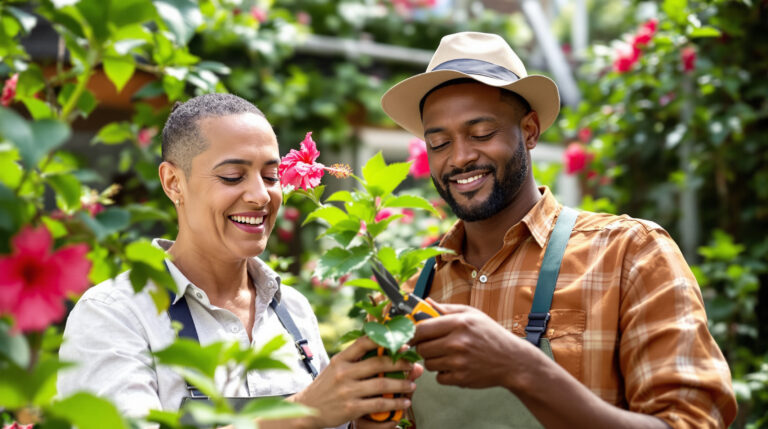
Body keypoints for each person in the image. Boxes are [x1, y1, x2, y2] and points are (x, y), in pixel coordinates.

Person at [377, 32, 737, 428]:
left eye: (481, 134)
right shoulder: (416, 290)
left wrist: (525, 370)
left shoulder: (630, 255)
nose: (459, 157)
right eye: (440, 143)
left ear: (530, 131)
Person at [58, 93, 418, 429]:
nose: (261, 195)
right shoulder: (114, 314)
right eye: (232, 176)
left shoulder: (292, 309)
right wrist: (301, 412)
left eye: (271, 176)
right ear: (173, 183)